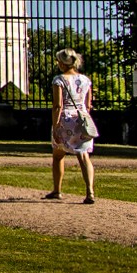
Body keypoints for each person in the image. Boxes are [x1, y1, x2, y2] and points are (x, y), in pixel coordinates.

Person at [46, 47, 96, 203]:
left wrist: (55, 126)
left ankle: (57, 190)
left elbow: (57, 105)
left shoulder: (59, 80)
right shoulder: (86, 80)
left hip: (65, 119)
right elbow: (88, 105)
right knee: (83, 155)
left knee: (58, 155)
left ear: (61, 63)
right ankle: (90, 192)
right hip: (82, 118)